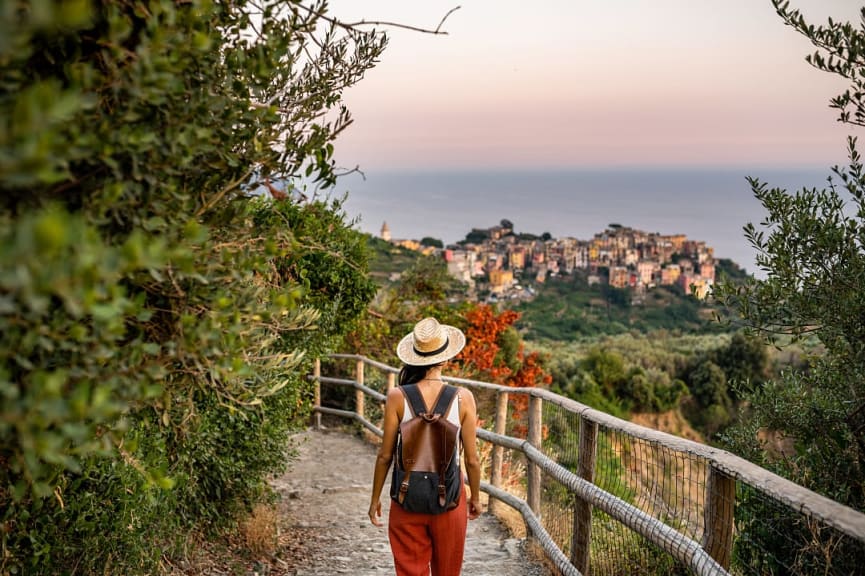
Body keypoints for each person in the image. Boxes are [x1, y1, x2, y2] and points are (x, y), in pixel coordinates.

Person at [368, 317, 483, 576]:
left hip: (406, 498)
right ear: (445, 358)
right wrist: (475, 497)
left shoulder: (397, 396)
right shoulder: (463, 398)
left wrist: (375, 499)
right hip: (450, 500)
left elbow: (385, 455)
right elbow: (472, 460)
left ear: (415, 357)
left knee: (410, 570)